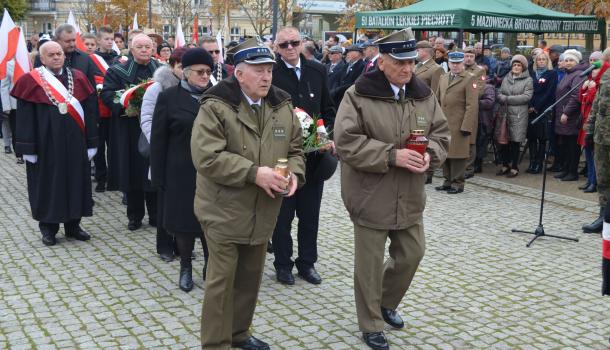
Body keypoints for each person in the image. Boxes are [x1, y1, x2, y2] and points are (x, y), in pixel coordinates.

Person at [334, 28, 449, 350]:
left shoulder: (423, 94)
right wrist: (390, 154)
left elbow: (441, 133)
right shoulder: (357, 95)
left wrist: (431, 155)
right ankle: (371, 323)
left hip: (410, 193)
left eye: (411, 62)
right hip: (370, 193)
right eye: (400, 62)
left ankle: (385, 302)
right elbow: (346, 141)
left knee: (412, 253)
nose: (407, 68)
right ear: (381, 62)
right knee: (369, 267)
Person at [192, 38, 305, 350]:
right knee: (221, 282)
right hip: (223, 210)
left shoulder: (282, 105)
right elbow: (207, 157)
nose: (266, 76)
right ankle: (216, 344)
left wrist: (294, 173)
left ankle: (239, 334)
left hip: (264, 209)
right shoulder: (216, 106)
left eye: (269, 69)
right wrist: (255, 173)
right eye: (258, 70)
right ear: (238, 74)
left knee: (250, 278)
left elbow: (296, 149)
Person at [10, 41, 98, 246]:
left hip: (75, 142)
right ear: (42, 58)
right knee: (48, 184)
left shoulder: (78, 77)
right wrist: (27, 148)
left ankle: (73, 225)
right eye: (51, 54)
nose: (57, 57)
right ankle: (48, 228)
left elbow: (91, 111)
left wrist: (91, 142)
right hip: (45, 144)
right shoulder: (30, 81)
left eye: (59, 53)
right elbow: (23, 118)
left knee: (76, 181)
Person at [271, 26, 336, 285]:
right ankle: (283, 264)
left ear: (302, 43)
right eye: (284, 44)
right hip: (281, 157)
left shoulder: (317, 70)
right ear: (276, 47)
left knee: (310, 216)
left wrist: (325, 135)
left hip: (313, 157)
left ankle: (307, 263)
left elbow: (328, 109)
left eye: (294, 43)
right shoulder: (271, 72)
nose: (289, 48)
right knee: (283, 215)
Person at [150, 48, 213, 292]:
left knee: (210, 222)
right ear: (186, 73)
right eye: (200, 72)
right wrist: (158, 175)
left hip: (211, 170)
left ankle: (211, 266)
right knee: (184, 223)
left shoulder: (216, 97)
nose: (205, 76)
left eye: (208, 71)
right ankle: (185, 266)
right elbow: (158, 139)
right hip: (180, 170)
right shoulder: (169, 97)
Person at [101, 34, 161, 230]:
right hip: (129, 128)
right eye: (140, 47)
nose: (144, 50)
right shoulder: (117, 71)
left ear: (153, 49)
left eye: (148, 46)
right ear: (132, 50)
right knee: (133, 172)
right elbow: (108, 94)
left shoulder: (162, 70)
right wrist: (129, 105)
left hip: (155, 128)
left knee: (154, 170)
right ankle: (135, 216)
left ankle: (155, 215)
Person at [141, 47, 187, 263]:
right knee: (166, 203)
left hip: (189, 154)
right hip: (166, 153)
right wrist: (162, 146)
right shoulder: (157, 88)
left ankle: (183, 244)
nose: (185, 72)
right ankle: (165, 246)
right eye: (181, 67)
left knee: (185, 204)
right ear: (172, 66)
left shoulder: (198, 86)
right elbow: (147, 120)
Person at [435, 51, 478, 194]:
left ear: (463, 63)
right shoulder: (443, 77)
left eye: (458, 63)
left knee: (458, 155)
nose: (455, 66)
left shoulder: (469, 79)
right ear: (448, 63)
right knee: (445, 153)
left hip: (459, 124)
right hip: (444, 123)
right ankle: (447, 181)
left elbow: (472, 106)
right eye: (452, 63)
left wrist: (466, 126)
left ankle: (458, 183)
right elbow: (437, 100)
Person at [91, 26, 120, 193]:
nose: (110, 42)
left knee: (115, 146)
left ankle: (114, 177)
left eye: (112, 39)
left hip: (115, 110)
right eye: (107, 39)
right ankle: (101, 178)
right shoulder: (91, 60)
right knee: (100, 147)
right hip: (99, 111)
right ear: (99, 40)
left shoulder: (119, 59)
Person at [495, 54, 533, 178]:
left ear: (523, 67)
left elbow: (526, 97)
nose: (516, 67)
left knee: (515, 142)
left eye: (519, 65)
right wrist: (503, 98)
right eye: (514, 65)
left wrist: (507, 99)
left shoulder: (528, 80)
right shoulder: (507, 77)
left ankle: (515, 167)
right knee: (503, 141)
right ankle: (505, 165)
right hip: (504, 114)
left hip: (518, 115)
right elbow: (499, 93)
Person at [583, 65, 610, 233]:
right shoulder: (607, 74)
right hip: (601, 136)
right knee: (603, 179)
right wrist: (590, 129)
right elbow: (597, 103)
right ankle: (603, 218)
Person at [553, 49, 587, 182]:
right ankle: (566, 169)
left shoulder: (578, 75)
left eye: (571, 60)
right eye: (566, 60)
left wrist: (566, 112)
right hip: (563, 115)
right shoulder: (567, 74)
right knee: (566, 145)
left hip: (571, 116)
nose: (568, 63)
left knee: (572, 145)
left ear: (577, 62)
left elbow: (575, 96)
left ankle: (573, 172)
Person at [578, 63, 608, 193]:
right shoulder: (591, 83)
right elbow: (582, 100)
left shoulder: (601, 85)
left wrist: (590, 90)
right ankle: (590, 180)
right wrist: (584, 89)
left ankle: (594, 182)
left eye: (597, 69)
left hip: (597, 125)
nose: (594, 71)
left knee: (596, 157)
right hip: (587, 122)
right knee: (588, 154)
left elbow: (593, 101)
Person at [527, 52, 558, 175]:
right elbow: (528, 91)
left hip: (543, 110)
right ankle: (532, 162)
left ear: (547, 61)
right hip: (530, 109)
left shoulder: (552, 74)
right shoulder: (531, 73)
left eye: (543, 59)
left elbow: (549, 92)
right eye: (538, 59)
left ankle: (539, 164)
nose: (541, 61)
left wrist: (536, 107)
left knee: (542, 138)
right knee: (531, 138)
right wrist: (530, 106)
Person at [474, 64, 496, 173]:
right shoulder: (472, 83)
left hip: (483, 120)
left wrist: (474, 102)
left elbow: (489, 102)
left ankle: (478, 165)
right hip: (474, 119)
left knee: (481, 143)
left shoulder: (488, 86)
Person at [1, 59, 17, 157]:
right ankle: (18, 153)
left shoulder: (29, 58)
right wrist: (6, 106)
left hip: (28, 102)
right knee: (12, 126)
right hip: (13, 103)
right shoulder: (7, 63)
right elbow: (4, 86)